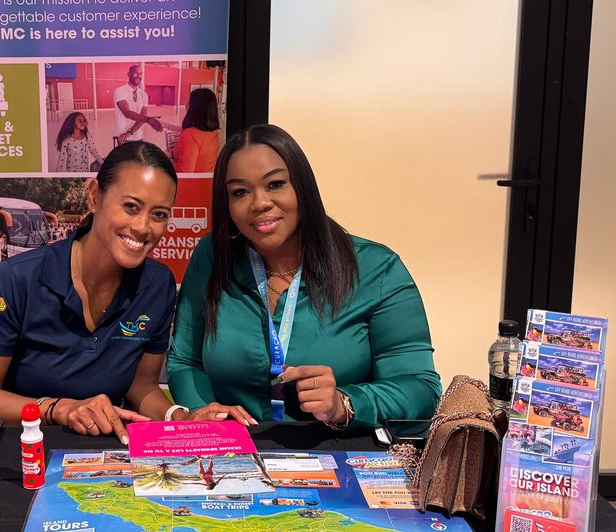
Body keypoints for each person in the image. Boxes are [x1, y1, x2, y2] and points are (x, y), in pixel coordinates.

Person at [167, 124, 442, 430]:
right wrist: (202, 410)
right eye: (240, 192)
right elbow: (185, 361)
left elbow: (421, 388)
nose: (259, 203)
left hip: (339, 456)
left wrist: (345, 403)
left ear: (302, 187)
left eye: (275, 184)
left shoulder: (377, 269)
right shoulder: (213, 256)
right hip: (234, 458)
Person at [0, 142, 185, 443]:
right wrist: (58, 409)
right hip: (21, 456)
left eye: (159, 214)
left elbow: (141, 388)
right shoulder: (16, 279)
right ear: (94, 197)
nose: (143, 227)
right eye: (131, 206)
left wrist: (181, 418)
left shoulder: (158, 285)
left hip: (106, 457)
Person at [172, 88, 221, 174]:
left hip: (191, 185)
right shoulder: (214, 133)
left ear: (196, 107)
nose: (186, 104)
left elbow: (186, 173)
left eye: (189, 101)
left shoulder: (190, 135)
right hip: (207, 184)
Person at [114, 65, 162, 145]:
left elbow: (142, 116)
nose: (139, 76)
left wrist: (131, 131)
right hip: (122, 137)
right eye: (136, 73)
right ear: (128, 74)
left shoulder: (144, 95)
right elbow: (127, 113)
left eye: (141, 74)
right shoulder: (119, 91)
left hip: (138, 138)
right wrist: (148, 119)